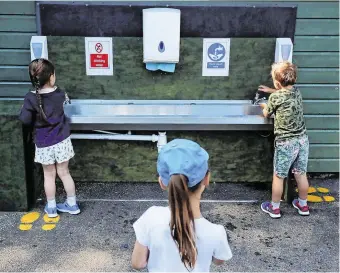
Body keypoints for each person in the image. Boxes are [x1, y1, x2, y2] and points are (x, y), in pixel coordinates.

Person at [131, 139, 232, 272]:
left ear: (162, 183)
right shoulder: (216, 232)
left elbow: (138, 264)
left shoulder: (151, 217)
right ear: (207, 179)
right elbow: (219, 261)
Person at [19, 58, 80, 217]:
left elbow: (24, 120)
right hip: (62, 140)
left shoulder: (30, 98)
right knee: (64, 173)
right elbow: (68, 104)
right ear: (51, 76)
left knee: (49, 175)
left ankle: (51, 207)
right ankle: (72, 204)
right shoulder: (60, 93)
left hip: (44, 142)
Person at [258, 61, 310, 219]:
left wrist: (263, 105)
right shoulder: (297, 91)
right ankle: (303, 205)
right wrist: (271, 90)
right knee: (300, 174)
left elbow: (267, 113)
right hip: (302, 141)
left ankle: (274, 208)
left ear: (276, 82)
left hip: (286, 143)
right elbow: (286, 94)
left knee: (279, 176)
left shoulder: (275, 97)